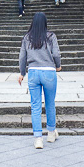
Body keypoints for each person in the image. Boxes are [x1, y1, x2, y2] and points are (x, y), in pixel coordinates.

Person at [18, 12, 61, 149]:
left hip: (33, 72)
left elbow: (22, 57)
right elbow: (56, 53)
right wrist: (58, 65)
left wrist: (22, 73)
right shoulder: (51, 36)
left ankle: (38, 139)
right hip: (49, 71)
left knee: (35, 106)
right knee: (50, 103)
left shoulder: (27, 37)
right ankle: (51, 133)